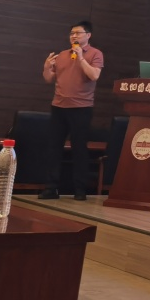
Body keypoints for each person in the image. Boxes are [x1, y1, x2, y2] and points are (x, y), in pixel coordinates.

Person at [39, 21, 104, 201]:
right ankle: (51, 188)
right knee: (54, 148)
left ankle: (80, 189)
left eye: (78, 33)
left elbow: (94, 75)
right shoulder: (62, 55)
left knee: (79, 149)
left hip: (81, 108)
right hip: (59, 106)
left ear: (88, 35)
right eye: (71, 33)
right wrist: (46, 67)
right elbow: (49, 79)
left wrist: (81, 58)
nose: (73, 36)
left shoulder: (95, 54)